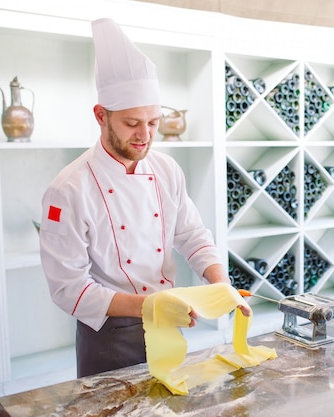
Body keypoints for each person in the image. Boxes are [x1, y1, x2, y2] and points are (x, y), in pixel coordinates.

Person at [39, 18, 248, 378]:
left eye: (153, 122)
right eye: (132, 123)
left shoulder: (166, 170)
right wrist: (149, 306)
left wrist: (219, 282)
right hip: (108, 335)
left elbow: (193, 235)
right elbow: (68, 289)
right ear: (101, 116)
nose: (145, 135)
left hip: (167, 327)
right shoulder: (68, 189)